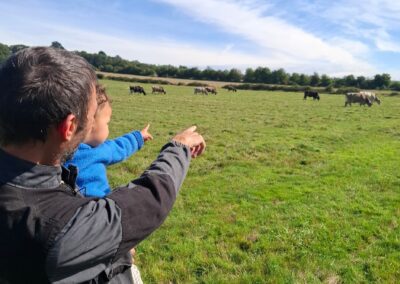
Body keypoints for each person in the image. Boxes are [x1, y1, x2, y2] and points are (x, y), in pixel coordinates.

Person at [0, 47, 205, 283]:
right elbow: (149, 200)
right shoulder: (60, 229)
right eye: (91, 114)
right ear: (69, 127)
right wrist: (178, 147)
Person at [64, 84, 153, 198]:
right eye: (107, 123)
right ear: (90, 124)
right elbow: (119, 147)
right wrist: (138, 137)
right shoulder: (100, 151)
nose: (108, 127)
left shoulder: (50, 150)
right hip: (98, 209)